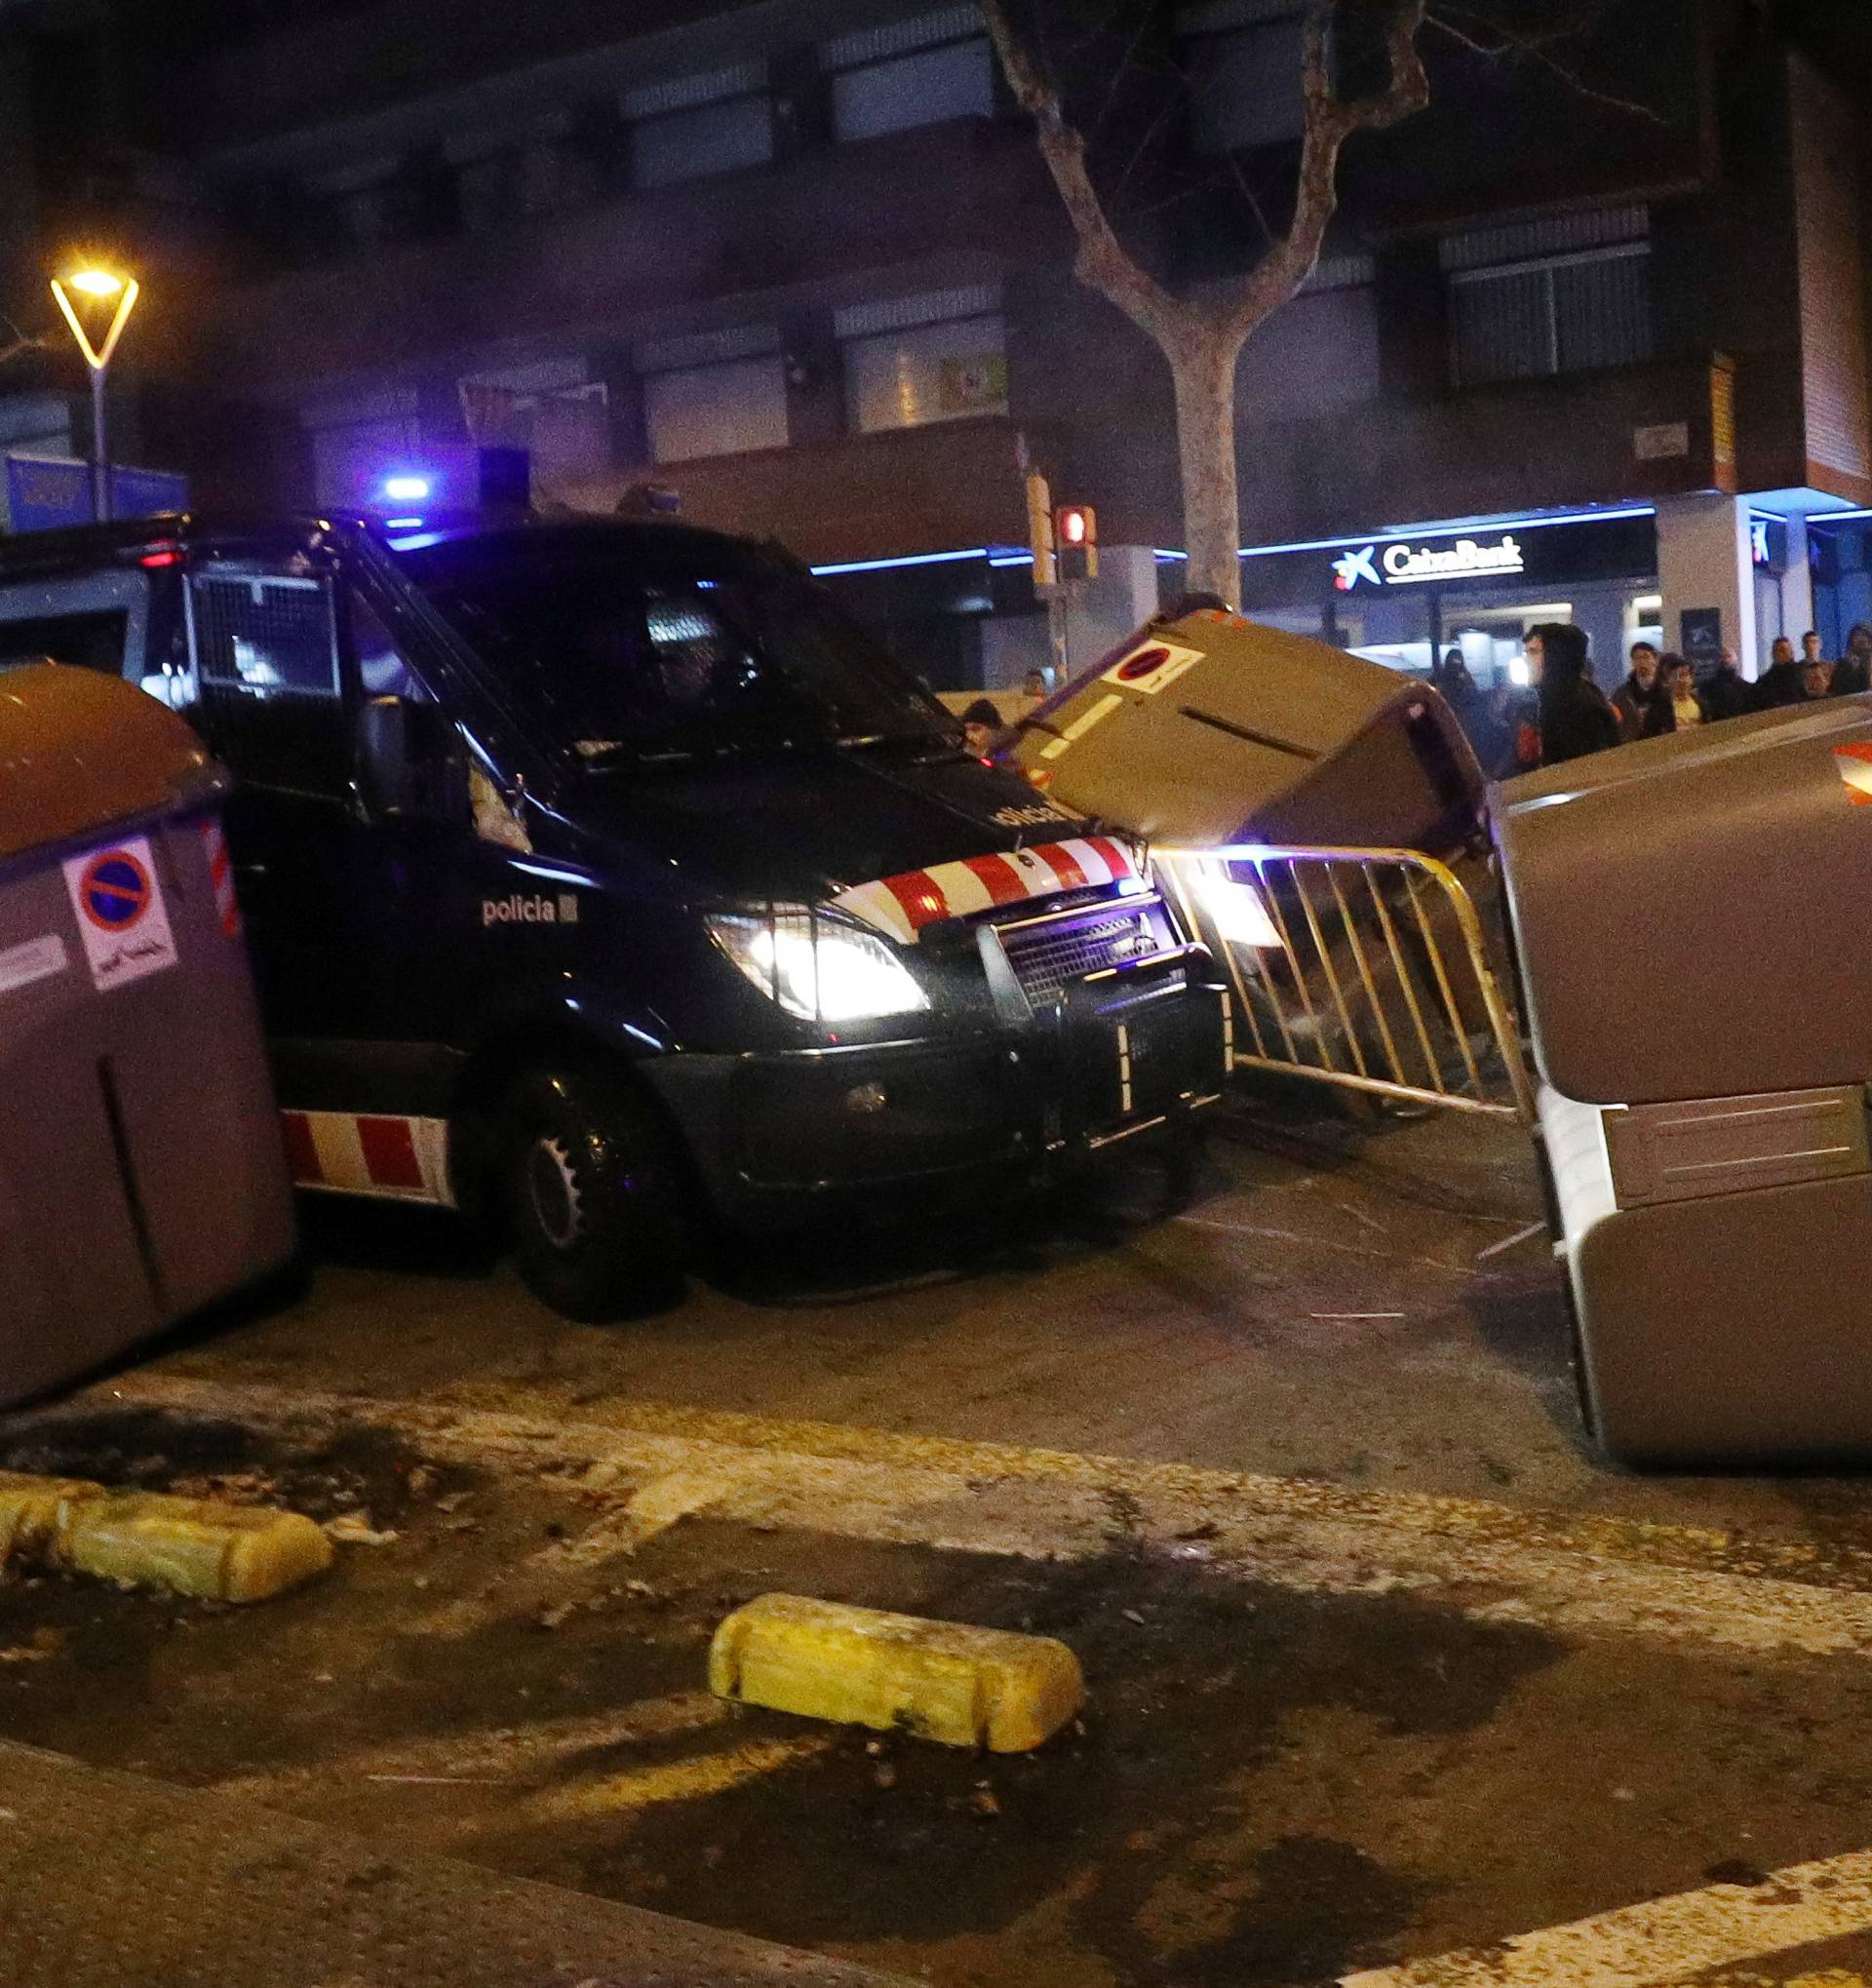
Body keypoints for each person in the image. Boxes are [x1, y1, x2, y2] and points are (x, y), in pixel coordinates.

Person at [1520, 621, 1619, 769]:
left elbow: (1586, 773)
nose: (1525, 660)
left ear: (1556, 657)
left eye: (1533, 652)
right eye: (1526, 653)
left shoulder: (1578, 707)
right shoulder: (1557, 700)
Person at [1641, 653, 1707, 737]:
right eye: (1675, 676)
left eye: (1684, 675)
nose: (1680, 680)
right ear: (1666, 681)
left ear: (1691, 678)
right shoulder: (1658, 709)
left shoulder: (1702, 704)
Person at [1611, 641, 1659, 744]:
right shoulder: (1622, 694)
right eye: (1637, 658)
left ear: (1655, 660)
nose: (1641, 662)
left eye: (1645, 657)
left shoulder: (1665, 691)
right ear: (1632, 662)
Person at [1751, 636, 1802, 710]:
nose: (1779, 654)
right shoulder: (1765, 680)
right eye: (1776, 651)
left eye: (1783, 650)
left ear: (1792, 653)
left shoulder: (1802, 674)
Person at [1700, 643, 1750, 721]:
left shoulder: (1745, 687)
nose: (1725, 660)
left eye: (1728, 656)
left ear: (1736, 660)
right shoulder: (1707, 687)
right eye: (1721, 657)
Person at [1834, 623, 1872, 697]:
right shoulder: (1844, 664)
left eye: (1864, 636)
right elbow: (1838, 689)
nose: (1860, 639)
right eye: (1856, 636)